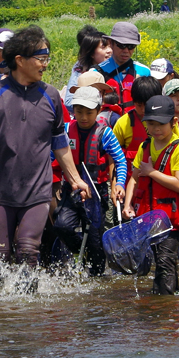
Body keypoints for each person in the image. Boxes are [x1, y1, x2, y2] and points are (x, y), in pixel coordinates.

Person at [0, 26, 91, 270]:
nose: (45, 65)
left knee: (28, 251)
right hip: (0, 191)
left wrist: (75, 180)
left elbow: (60, 142)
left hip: (38, 190)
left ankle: (28, 308)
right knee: (0, 258)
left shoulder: (51, 96)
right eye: (41, 59)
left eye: (46, 59)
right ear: (20, 60)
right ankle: (1, 308)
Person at [53, 84, 127, 275]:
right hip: (72, 190)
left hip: (97, 193)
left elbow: (120, 161)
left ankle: (97, 280)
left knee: (95, 237)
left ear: (98, 110)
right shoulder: (66, 130)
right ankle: (82, 252)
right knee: (62, 226)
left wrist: (119, 184)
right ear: (73, 111)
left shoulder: (106, 134)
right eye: (79, 111)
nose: (84, 117)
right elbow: (52, 157)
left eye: (88, 112)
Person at [123, 95, 179, 295]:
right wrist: (128, 204)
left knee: (164, 259)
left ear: (173, 122)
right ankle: (169, 297)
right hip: (149, 217)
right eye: (151, 124)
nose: (155, 129)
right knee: (160, 260)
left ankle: (166, 306)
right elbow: (134, 179)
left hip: (172, 218)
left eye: (160, 124)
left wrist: (152, 172)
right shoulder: (145, 146)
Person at [96, 21, 152, 116]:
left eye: (131, 46)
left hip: (135, 125)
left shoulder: (144, 72)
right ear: (111, 43)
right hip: (107, 126)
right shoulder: (96, 73)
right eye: (121, 45)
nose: (126, 50)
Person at [112, 76, 164, 164]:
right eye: (139, 105)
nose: (143, 110)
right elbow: (113, 154)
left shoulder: (167, 121)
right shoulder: (123, 123)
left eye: (147, 105)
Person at [64, 25, 112, 108]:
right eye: (103, 47)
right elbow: (68, 101)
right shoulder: (80, 69)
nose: (109, 51)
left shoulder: (116, 68)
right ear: (91, 53)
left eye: (110, 46)